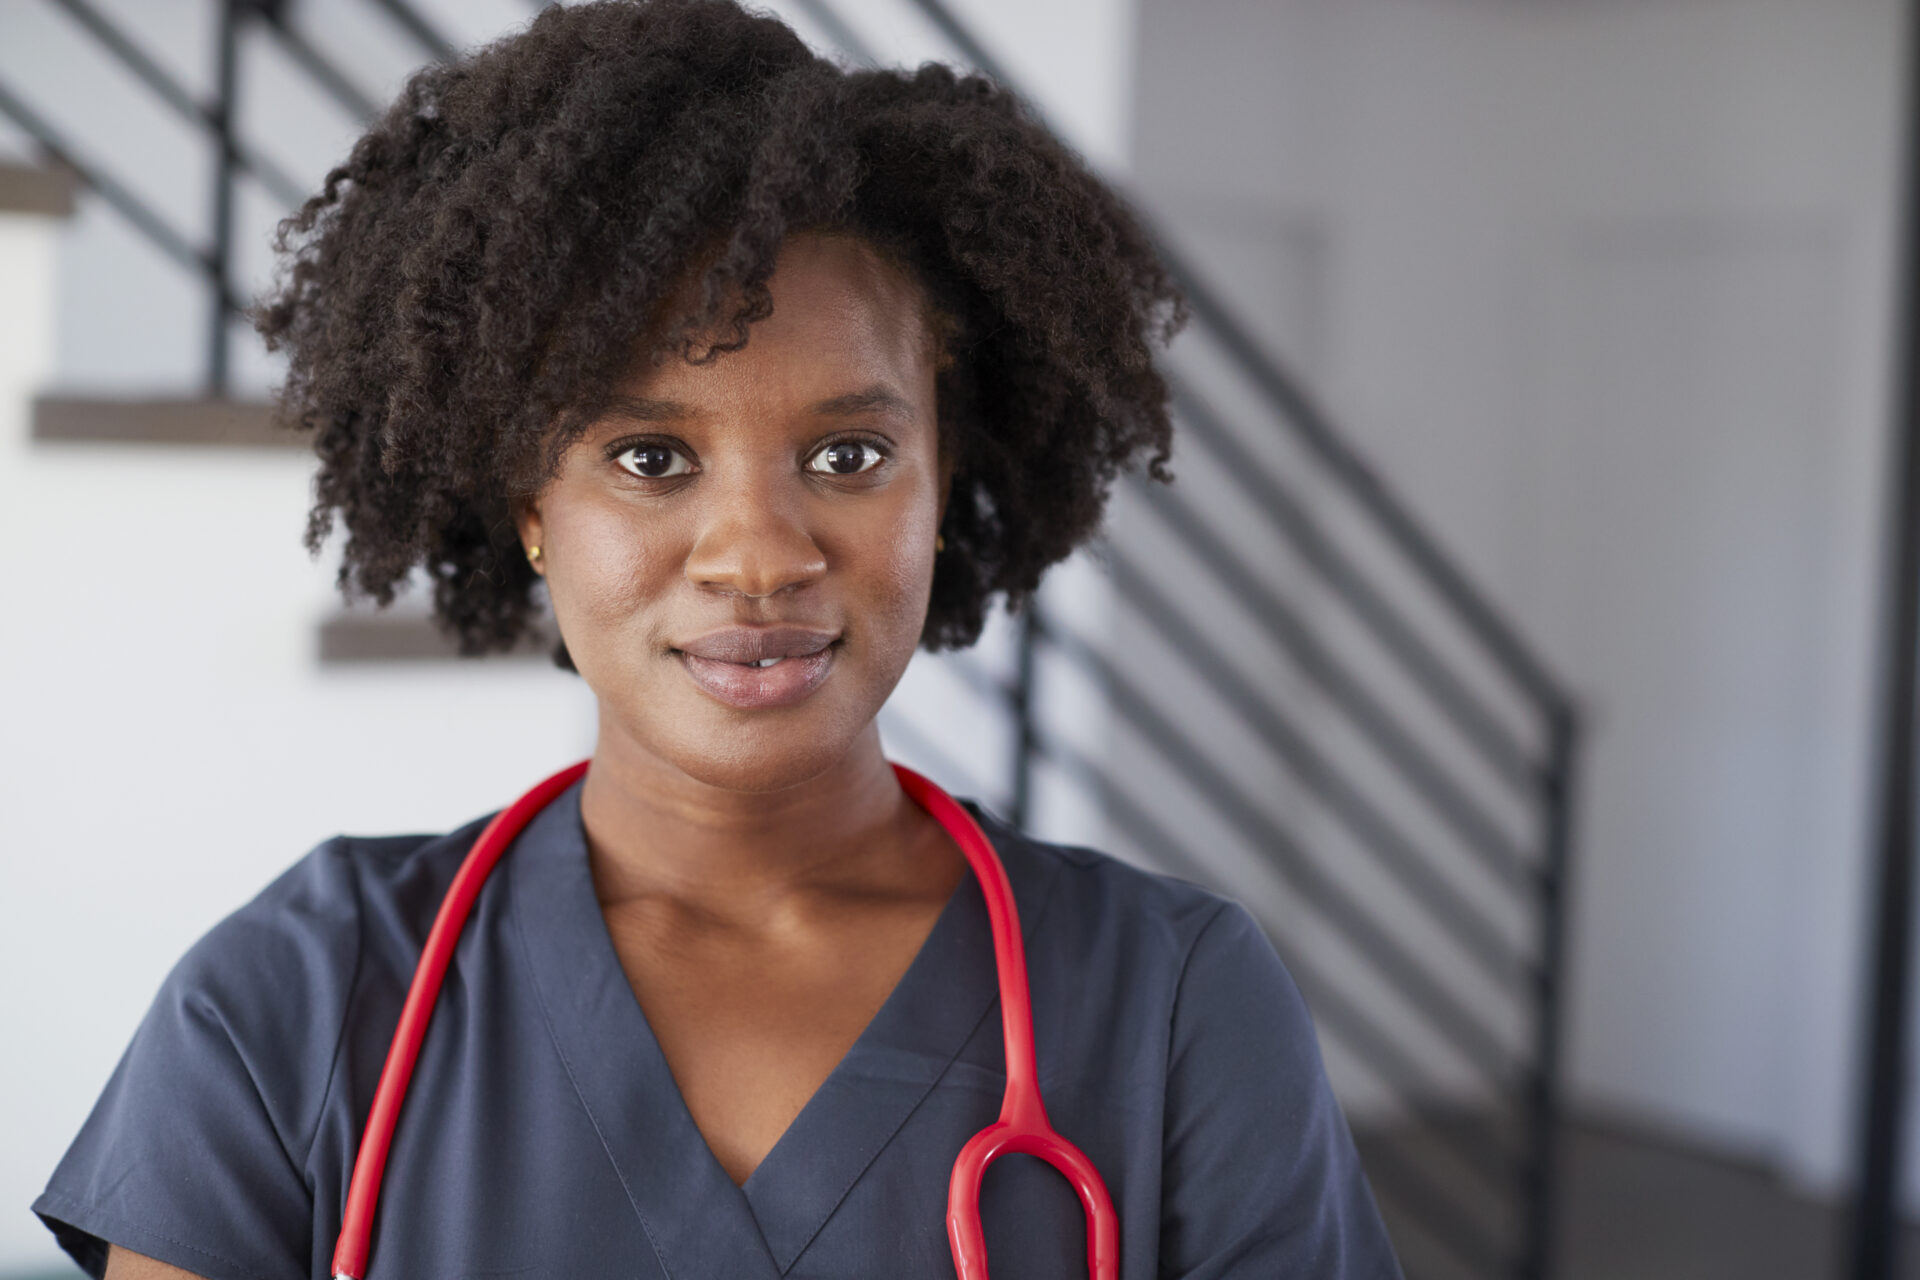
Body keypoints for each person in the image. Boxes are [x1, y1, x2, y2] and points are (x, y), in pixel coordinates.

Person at [31, 1, 1405, 1277]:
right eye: (647, 458)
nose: (761, 553)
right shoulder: (292, 1000)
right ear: (529, 508)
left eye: (852, 452)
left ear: (947, 480)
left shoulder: (1173, 1001)